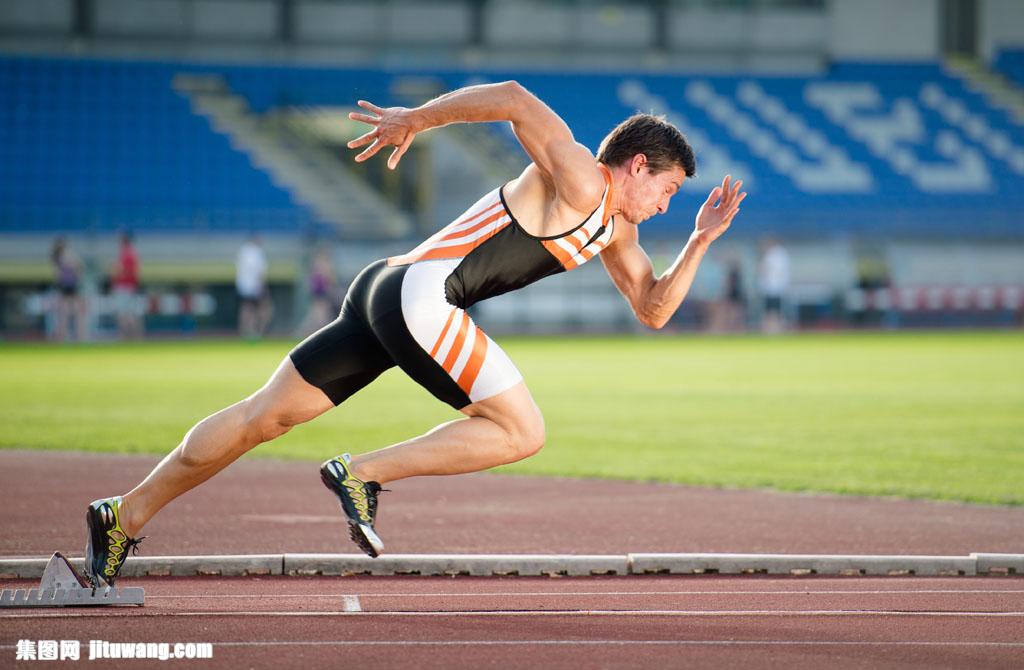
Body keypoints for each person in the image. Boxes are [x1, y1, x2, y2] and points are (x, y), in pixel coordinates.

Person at [83, 81, 745, 587]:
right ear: (636, 165)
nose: (667, 205)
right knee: (522, 431)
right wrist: (416, 119)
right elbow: (514, 98)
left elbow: (653, 308)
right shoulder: (578, 176)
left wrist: (698, 241)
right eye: (669, 190)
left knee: (264, 417)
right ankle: (361, 473)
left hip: (384, 290)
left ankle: (126, 514)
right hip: (422, 298)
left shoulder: (618, 233)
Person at [50, 237, 88, 342]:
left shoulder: (62, 256)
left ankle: (73, 335)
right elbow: (79, 266)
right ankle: (73, 335)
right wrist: (77, 273)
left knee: (67, 312)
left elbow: (78, 267)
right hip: (68, 286)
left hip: (69, 286)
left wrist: (76, 273)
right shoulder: (63, 256)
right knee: (69, 312)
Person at [236, 235, 272, 339]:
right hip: (255, 287)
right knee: (264, 309)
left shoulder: (243, 251)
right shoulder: (257, 252)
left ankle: (245, 331)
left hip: (243, 287)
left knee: (246, 309)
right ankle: (257, 332)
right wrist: (263, 287)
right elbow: (259, 272)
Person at [111, 231, 143, 340]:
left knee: (124, 314)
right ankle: (134, 337)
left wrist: (116, 270)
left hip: (124, 287)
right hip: (130, 287)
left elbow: (124, 271)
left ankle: (125, 337)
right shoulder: (132, 253)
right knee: (131, 313)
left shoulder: (126, 254)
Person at [758, 237, 790, 334]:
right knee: (775, 310)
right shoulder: (780, 254)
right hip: (776, 287)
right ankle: (775, 328)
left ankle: (773, 329)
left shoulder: (773, 255)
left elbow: (765, 270)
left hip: (772, 287)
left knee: (772, 311)